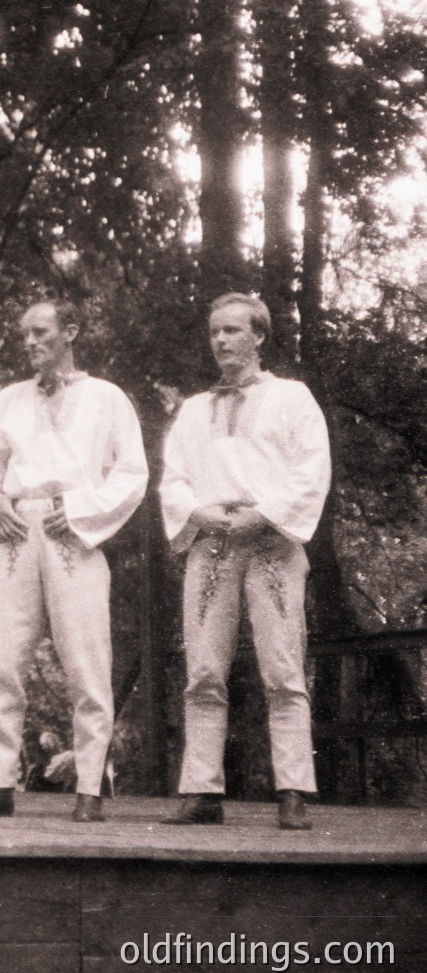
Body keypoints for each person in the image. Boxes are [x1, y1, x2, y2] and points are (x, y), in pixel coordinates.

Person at [0, 300, 147, 823]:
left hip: (74, 534)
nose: (30, 342)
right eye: (24, 335)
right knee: (3, 660)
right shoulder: (8, 401)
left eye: (40, 332)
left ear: (71, 331)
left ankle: (90, 788)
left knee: (87, 663)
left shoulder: (107, 398)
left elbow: (132, 474)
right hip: (19, 529)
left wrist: (84, 510)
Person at [159, 293, 330, 831]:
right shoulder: (193, 410)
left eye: (233, 330)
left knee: (282, 668)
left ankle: (295, 790)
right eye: (215, 332)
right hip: (212, 542)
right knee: (204, 670)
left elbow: (310, 471)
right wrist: (201, 513)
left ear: (259, 335)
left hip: (272, 540)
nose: (222, 340)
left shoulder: (292, 398)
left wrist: (266, 516)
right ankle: (201, 791)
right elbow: (174, 478)